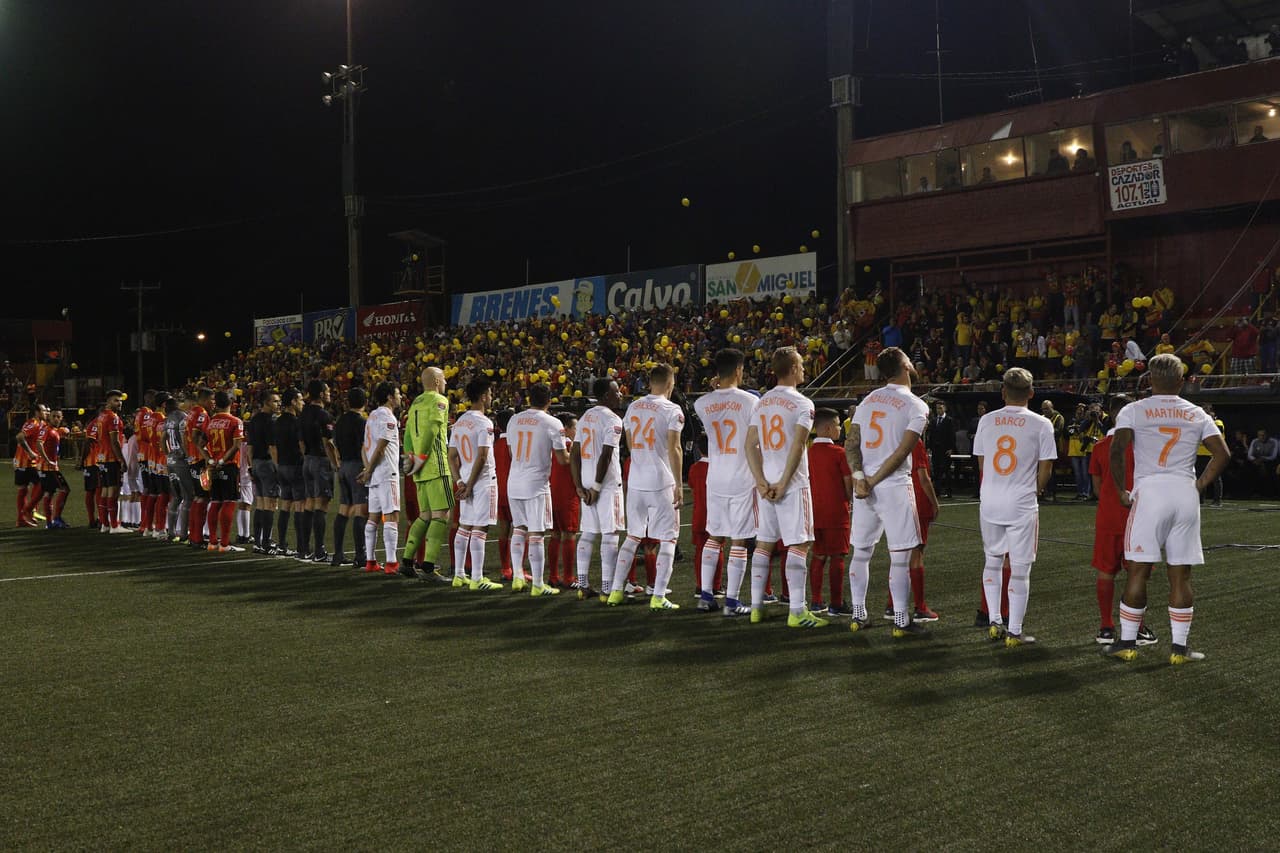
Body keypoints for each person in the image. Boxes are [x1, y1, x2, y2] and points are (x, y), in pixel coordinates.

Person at [1106, 353, 1230, 663]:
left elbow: (1117, 451)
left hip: (1149, 493)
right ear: (1181, 380)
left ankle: (1127, 644)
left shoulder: (1134, 410)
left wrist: (1122, 490)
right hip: (1183, 493)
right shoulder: (1197, 413)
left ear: (1149, 379)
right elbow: (1223, 454)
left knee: (1137, 571)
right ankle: (1179, 649)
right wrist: (1199, 485)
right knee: (1181, 575)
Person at [844, 345, 929, 636]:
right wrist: (873, 480)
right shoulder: (916, 405)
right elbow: (902, 450)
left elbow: (851, 444)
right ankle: (901, 621)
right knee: (901, 555)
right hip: (892, 486)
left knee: (861, 552)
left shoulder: (867, 400)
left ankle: (858, 615)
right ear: (905, 366)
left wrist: (860, 478)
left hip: (864, 488)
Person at [973, 368, 1057, 646]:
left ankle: (995, 620)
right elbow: (1046, 464)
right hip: (1021, 502)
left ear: (1002, 392)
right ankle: (1015, 631)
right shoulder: (1042, 423)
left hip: (991, 499)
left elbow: (982, 463)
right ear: (1031, 393)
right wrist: (1037, 490)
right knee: (1020, 568)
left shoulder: (987, 420)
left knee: (993, 560)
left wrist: (990, 489)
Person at [744, 347, 826, 628]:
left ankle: (756, 607)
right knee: (799, 543)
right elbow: (798, 444)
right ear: (792, 369)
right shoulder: (803, 404)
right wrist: (784, 481)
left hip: (766, 483)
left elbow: (750, 445)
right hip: (792, 484)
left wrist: (760, 480)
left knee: (765, 544)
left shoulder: (762, 402)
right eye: (801, 364)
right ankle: (797, 611)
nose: (804, 368)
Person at [606, 364, 685, 610]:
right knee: (669, 539)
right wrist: (679, 484)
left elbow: (629, 442)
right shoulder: (672, 409)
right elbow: (675, 448)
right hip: (661, 481)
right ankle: (659, 596)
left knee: (632, 537)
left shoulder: (634, 406)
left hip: (637, 480)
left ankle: (616, 591)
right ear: (670, 384)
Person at [691, 348, 759, 616]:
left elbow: (709, 399)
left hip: (715, 476)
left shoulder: (702, 403)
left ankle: (706, 596)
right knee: (739, 540)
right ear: (740, 370)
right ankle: (732, 602)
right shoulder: (750, 401)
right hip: (742, 476)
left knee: (715, 537)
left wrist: (714, 387)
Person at [1089, 395, 1157, 646]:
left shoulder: (1099, 448)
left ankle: (1106, 627)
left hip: (1107, 516)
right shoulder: (1143, 447)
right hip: (1138, 518)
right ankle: (1137, 628)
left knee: (1106, 572)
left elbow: (1096, 488)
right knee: (1137, 574)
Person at [508, 383, 571, 596]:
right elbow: (563, 459)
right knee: (536, 533)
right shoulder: (553, 422)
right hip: (536, 483)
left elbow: (510, 451)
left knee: (519, 528)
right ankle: (537, 584)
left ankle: (517, 575)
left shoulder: (514, 419)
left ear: (529, 399)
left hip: (514, 480)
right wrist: (578, 456)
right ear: (549, 401)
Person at [571, 378, 625, 600]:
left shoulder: (585, 418)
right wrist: (597, 486)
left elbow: (575, 453)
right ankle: (606, 588)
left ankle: (583, 585)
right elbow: (606, 454)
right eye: (617, 392)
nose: (620, 395)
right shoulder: (613, 419)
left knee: (588, 534)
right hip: (606, 485)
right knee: (610, 535)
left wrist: (578, 486)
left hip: (585, 483)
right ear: (606, 396)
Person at [447, 377, 503, 591]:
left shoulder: (459, 422)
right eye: (489, 394)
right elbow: (482, 456)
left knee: (464, 527)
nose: (491, 397)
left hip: (466, 480)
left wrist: (459, 480)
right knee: (480, 528)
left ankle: (460, 574)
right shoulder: (484, 423)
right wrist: (469, 485)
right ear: (482, 396)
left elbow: (451, 455)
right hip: (482, 482)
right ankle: (478, 577)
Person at [401, 367, 454, 581]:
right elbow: (433, 429)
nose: (446, 384)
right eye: (444, 380)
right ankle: (429, 567)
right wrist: (422, 456)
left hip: (418, 470)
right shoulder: (439, 400)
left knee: (424, 516)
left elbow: (406, 435)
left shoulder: (415, 403)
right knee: (442, 516)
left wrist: (411, 460)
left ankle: (406, 562)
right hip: (435, 465)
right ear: (436, 381)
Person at [808, 408, 852, 616]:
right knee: (837, 557)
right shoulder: (839, 453)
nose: (839, 428)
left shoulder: (807, 453)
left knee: (818, 555)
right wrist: (851, 500)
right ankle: (836, 603)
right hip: (836, 512)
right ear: (826, 428)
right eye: (836, 424)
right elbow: (848, 483)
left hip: (814, 512)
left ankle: (816, 601)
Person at [357, 382, 403, 575]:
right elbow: (381, 446)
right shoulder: (387, 416)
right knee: (391, 516)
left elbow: (364, 446)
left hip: (375, 474)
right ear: (390, 397)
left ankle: (370, 560)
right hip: (386, 472)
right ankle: (391, 563)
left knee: (373, 517)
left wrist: (368, 469)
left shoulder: (372, 416)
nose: (400, 396)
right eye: (398, 393)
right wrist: (369, 470)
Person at [299, 379, 338, 563]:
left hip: (307, 459)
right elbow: (328, 442)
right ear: (321, 394)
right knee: (322, 504)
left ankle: (304, 548)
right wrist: (335, 463)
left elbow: (300, 442)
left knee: (309, 503)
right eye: (328, 390)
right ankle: (320, 551)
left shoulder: (303, 413)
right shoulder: (324, 415)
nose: (330, 393)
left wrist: (306, 457)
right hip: (321, 461)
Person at [332, 387, 369, 568]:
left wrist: (339, 462)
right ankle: (360, 556)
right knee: (360, 510)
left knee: (344, 509)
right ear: (365, 402)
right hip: (356, 466)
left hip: (343, 466)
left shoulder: (339, 421)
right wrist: (367, 468)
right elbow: (364, 446)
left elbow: (334, 445)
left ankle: (337, 554)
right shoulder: (361, 422)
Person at [204, 390, 245, 553]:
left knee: (215, 502)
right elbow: (236, 446)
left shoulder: (211, 421)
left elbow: (200, 443)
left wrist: (210, 460)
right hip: (228, 465)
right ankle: (225, 544)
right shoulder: (235, 421)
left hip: (214, 466)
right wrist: (222, 460)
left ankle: (213, 542)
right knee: (229, 502)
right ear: (230, 403)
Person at [547, 411, 580, 588]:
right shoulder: (569, 447)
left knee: (555, 534)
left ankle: (553, 576)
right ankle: (568, 577)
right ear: (565, 429)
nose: (578, 430)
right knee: (569, 534)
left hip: (551, 492)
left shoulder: (551, 445)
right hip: (567, 494)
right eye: (576, 427)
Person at [245, 390, 281, 554]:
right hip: (267, 464)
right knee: (270, 504)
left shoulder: (253, 420)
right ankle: (267, 543)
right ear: (266, 403)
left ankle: (258, 542)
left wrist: (251, 466)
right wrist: (278, 467)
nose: (278, 404)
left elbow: (249, 447)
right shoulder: (271, 421)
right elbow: (272, 447)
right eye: (274, 401)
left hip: (256, 464)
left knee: (259, 503)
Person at [273, 389, 305, 557]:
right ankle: (301, 547)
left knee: (285, 505)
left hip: (282, 466)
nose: (302, 402)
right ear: (293, 401)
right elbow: (301, 444)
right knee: (300, 505)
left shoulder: (277, 422)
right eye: (300, 399)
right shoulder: (296, 422)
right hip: (296, 465)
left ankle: (281, 544)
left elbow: (273, 446)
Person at [96, 389, 130, 534]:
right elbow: (114, 442)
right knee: (113, 491)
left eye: (121, 400)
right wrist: (121, 460)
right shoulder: (113, 417)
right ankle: (115, 525)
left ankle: (105, 524)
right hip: (111, 458)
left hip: (101, 457)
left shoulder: (101, 416)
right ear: (109, 401)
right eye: (116, 400)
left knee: (105, 490)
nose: (120, 403)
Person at [161, 395, 192, 542]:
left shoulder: (167, 419)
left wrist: (168, 455)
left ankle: (171, 532)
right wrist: (187, 456)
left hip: (171, 460)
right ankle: (184, 533)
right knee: (188, 497)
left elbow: (163, 439)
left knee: (175, 497)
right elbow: (183, 438)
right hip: (181, 461)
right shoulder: (183, 417)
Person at [14, 403, 48, 527]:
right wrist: (30, 452)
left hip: (32, 462)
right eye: (44, 411)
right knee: (26, 488)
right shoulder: (32, 423)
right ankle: (24, 515)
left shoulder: (42, 424)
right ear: (38, 412)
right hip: (23, 460)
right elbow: (19, 437)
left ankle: (28, 513)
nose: (46, 413)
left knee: (38, 485)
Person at [37, 408, 70, 528]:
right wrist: (47, 460)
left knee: (48, 493)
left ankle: (49, 523)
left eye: (58, 417)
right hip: (49, 468)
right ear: (49, 418)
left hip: (44, 467)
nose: (56, 419)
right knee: (65, 489)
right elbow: (39, 443)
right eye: (54, 416)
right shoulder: (47, 430)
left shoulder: (53, 430)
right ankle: (56, 519)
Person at [1195, 404, 1225, 507]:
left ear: (1213, 412)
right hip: (1199, 453)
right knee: (1199, 477)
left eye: (1207, 410)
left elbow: (1214, 436)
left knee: (1215, 478)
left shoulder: (1217, 423)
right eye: (1203, 410)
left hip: (1211, 454)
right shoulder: (1201, 423)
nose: (1205, 412)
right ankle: (1200, 500)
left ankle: (1217, 500)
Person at [928, 400, 956, 498]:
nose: (938, 410)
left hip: (945, 450)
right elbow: (931, 435)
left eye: (940, 408)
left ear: (945, 408)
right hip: (935, 449)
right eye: (937, 408)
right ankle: (937, 491)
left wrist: (951, 448)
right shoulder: (934, 421)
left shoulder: (949, 420)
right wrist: (929, 447)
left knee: (947, 471)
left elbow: (952, 435)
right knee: (936, 471)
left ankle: (949, 492)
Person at [1039, 399, 1064, 502]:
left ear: (1052, 407)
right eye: (1043, 409)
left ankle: (1052, 493)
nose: (1045, 411)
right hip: (1042, 448)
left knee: (1051, 472)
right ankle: (1043, 492)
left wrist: (1045, 432)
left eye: (1047, 409)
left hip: (1054, 448)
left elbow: (1058, 432)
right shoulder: (1042, 418)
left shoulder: (1059, 417)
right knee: (1041, 471)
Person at [1246, 428, 1279, 497]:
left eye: (1263, 435)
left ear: (1267, 435)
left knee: (1270, 470)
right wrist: (1256, 460)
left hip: (1270, 462)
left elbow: (1273, 456)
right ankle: (1254, 492)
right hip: (1256, 462)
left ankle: (1271, 493)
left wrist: (1263, 459)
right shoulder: (1255, 441)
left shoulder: (1274, 442)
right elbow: (1250, 455)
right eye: (1260, 435)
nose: (1262, 437)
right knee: (1250, 470)